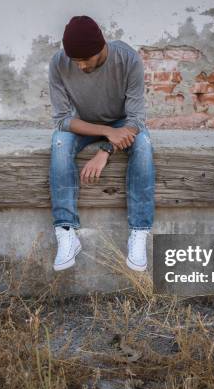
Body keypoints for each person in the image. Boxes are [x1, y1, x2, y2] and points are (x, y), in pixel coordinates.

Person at [48, 15, 155, 272]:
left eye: (86, 60)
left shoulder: (128, 60)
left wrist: (106, 150)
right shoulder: (59, 63)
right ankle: (66, 232)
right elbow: (62, 120)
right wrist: (106, 132)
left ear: (102, 47)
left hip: (122, 124)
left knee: (143, 145)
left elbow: (136, 120)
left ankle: (139, 231)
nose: (81, 66)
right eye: (76, 61)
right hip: (84, 124)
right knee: (60, 143)